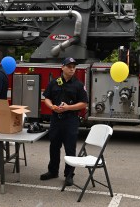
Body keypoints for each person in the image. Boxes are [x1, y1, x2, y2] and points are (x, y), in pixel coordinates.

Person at [40, 57, 88, 186]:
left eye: (74, 67)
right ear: (62, 67)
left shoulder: (78, 85)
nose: (72, 69)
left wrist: (68, 108)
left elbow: (83, 104)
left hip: (70, 120)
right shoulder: (54, 82)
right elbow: (47, 98)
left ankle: (69, 175)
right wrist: (52, 107)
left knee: (70, 148)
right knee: (54, 146)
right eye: (69, 66)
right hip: (56, 119)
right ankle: (53, 171)